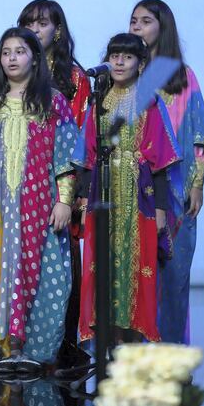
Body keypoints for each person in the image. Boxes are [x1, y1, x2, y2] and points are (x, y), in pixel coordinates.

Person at [0, 27, 79, 372]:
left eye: (20, 51)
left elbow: (67, 156)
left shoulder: (54, 102)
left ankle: (36, 353)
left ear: (35, 57)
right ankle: (1, 351)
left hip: (41, 207)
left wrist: (64, 200)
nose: (11, 58)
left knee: (49, 278)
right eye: (6, 52)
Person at [75, 33, 183, 344]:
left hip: (140, 196)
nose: (120, 62)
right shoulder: (98, 102)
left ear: (141, 64)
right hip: (103, 193)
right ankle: (110, 341)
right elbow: (87, 156)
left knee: (140, 267)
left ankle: (136, 340)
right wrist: (83, 202)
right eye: (115, 55)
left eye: (128, 57)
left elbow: (161, 160)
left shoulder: (149, 102)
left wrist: (161, 208)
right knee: (102, 266)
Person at [129, 0, 204, 344]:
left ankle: (171, 353)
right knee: (135, 276)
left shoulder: (182, 76)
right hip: (132, 189)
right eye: (133, 20)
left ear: (162, 28)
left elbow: (198, 135)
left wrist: (197, 185)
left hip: (176, 193)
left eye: (146, 21)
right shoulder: (123, 75)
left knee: (173, 275)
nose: (137, 27)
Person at [17, 0, 91, 360]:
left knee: (62, 263)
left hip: (60, 178)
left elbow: (77, 136)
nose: (35, 29)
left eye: (42, 23)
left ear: (57, 30)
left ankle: (61, 344)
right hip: (19, 181)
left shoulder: (74, 79)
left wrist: (73, 192)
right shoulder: (10, 78)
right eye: (28, 23)